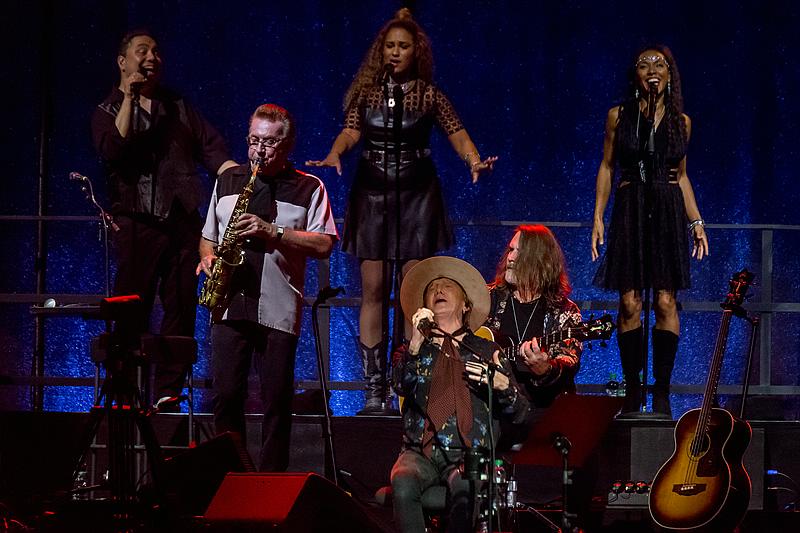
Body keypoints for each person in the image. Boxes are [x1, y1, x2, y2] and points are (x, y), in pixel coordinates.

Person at [306, 8, 497, 414]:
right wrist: (335, 153)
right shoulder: (368, 93)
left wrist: (474, 160)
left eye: (403, 46)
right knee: (373, 290)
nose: (395, 52)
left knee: (413, 295)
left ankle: (410, 384)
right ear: (381, 50)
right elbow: (352, 129)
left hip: (417, 194)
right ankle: (374, 391)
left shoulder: (429, 94)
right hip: (373, 193)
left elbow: (456, 131)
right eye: (390, 46)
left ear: (416, 52)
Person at [91, 29, 237, 407]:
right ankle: (126, 388)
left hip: (183, 221)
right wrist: (129, 95)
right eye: (142, 51)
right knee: (132, 306)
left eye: (156, 50)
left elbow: (210, 147)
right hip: (138, 224)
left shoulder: (178, 105)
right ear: (123, 61)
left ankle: (169, 392)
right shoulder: (108, 110)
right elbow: (114, 148)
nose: (152, 56)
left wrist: (235, 175)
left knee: (181, 304)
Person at [197, 104, 338, 471]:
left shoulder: (310, 187)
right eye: (253, 141)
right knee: (226, 396)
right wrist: (209, 259)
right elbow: (207, 237)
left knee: (277, 402)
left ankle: (270, 483)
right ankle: (232, 476)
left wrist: (272, 231)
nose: (259, 150)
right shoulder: (228, 180)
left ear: (287, 144)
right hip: (228, 304)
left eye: (269, 143)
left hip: (278, 307)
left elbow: (324, 243)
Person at [590, 45, 709, 417]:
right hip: (630, 208)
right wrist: (598, 216)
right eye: (644, 64)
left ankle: (661, 392)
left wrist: (697, 221)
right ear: (635, 76)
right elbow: (608, 166)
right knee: (629, 302)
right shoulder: (618, 116)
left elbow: (683, 176)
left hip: (668, 209)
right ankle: (631, 390)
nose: (652, 69)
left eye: (659, 64)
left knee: (665, 301)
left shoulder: (681, 122)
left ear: (670, 75)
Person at [391, 256, 529, 532]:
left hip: (470, 454)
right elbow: (399, 385)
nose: (439, 290)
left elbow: (520, 412)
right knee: (403, 480)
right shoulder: (411, 351)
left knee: (467, 488)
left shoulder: (487, 351)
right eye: (433, 288)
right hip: (420, 452)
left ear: (466, 304)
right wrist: (417, 344)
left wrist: (502, 386)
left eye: (447, 286)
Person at [484, 225, 583, 409]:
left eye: (519, 252)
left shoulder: (564, 311)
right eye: (510, 250)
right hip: (492, 409)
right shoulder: (487, 300)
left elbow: (569, 363)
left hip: (541, 409)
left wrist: (546, 369)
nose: (510, 258)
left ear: (539, 260)